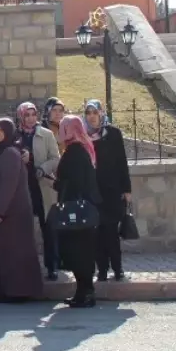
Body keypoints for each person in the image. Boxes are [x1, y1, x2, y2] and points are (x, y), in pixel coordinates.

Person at [0, 118, 44, 303]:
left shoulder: (10, 153)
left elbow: (8, 185)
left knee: (14, 253)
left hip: (11, 214)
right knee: (8, 252)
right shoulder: (3, 151)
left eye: (1, 130)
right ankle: (9, 290)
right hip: (9, 213)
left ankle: (17, 292)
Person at [54, 115, 103, 308]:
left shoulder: (73, 152)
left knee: (77, 253)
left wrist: (57, 183)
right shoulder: (84, 148)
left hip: (74, 212)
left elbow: (72, 182)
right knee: (84, 252)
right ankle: (83, 293)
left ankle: (85, 293)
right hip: (86, 210)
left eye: (63, 128)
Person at [85, 99, 132, 282]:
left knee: (111, 232)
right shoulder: (84, 134)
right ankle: (102, 270)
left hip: (112, 191)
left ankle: (118, 268)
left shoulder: (112, 133)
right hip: (93, 191)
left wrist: (126, 189)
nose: (92, 117)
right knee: (97, 233)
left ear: (101, 113)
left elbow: (122, 162)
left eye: (95, 113)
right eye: (88, 113)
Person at [16, 101, 61, 280]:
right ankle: (26, 266)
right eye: (26, 115)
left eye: (33, 114)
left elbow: (55, 158)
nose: (30, 118)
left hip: (42, 186)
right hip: (22, 187)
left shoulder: (46, 134)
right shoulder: (15, 135)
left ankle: (52, 266)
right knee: (23, 229)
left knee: (48, 228)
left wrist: (41, 166)